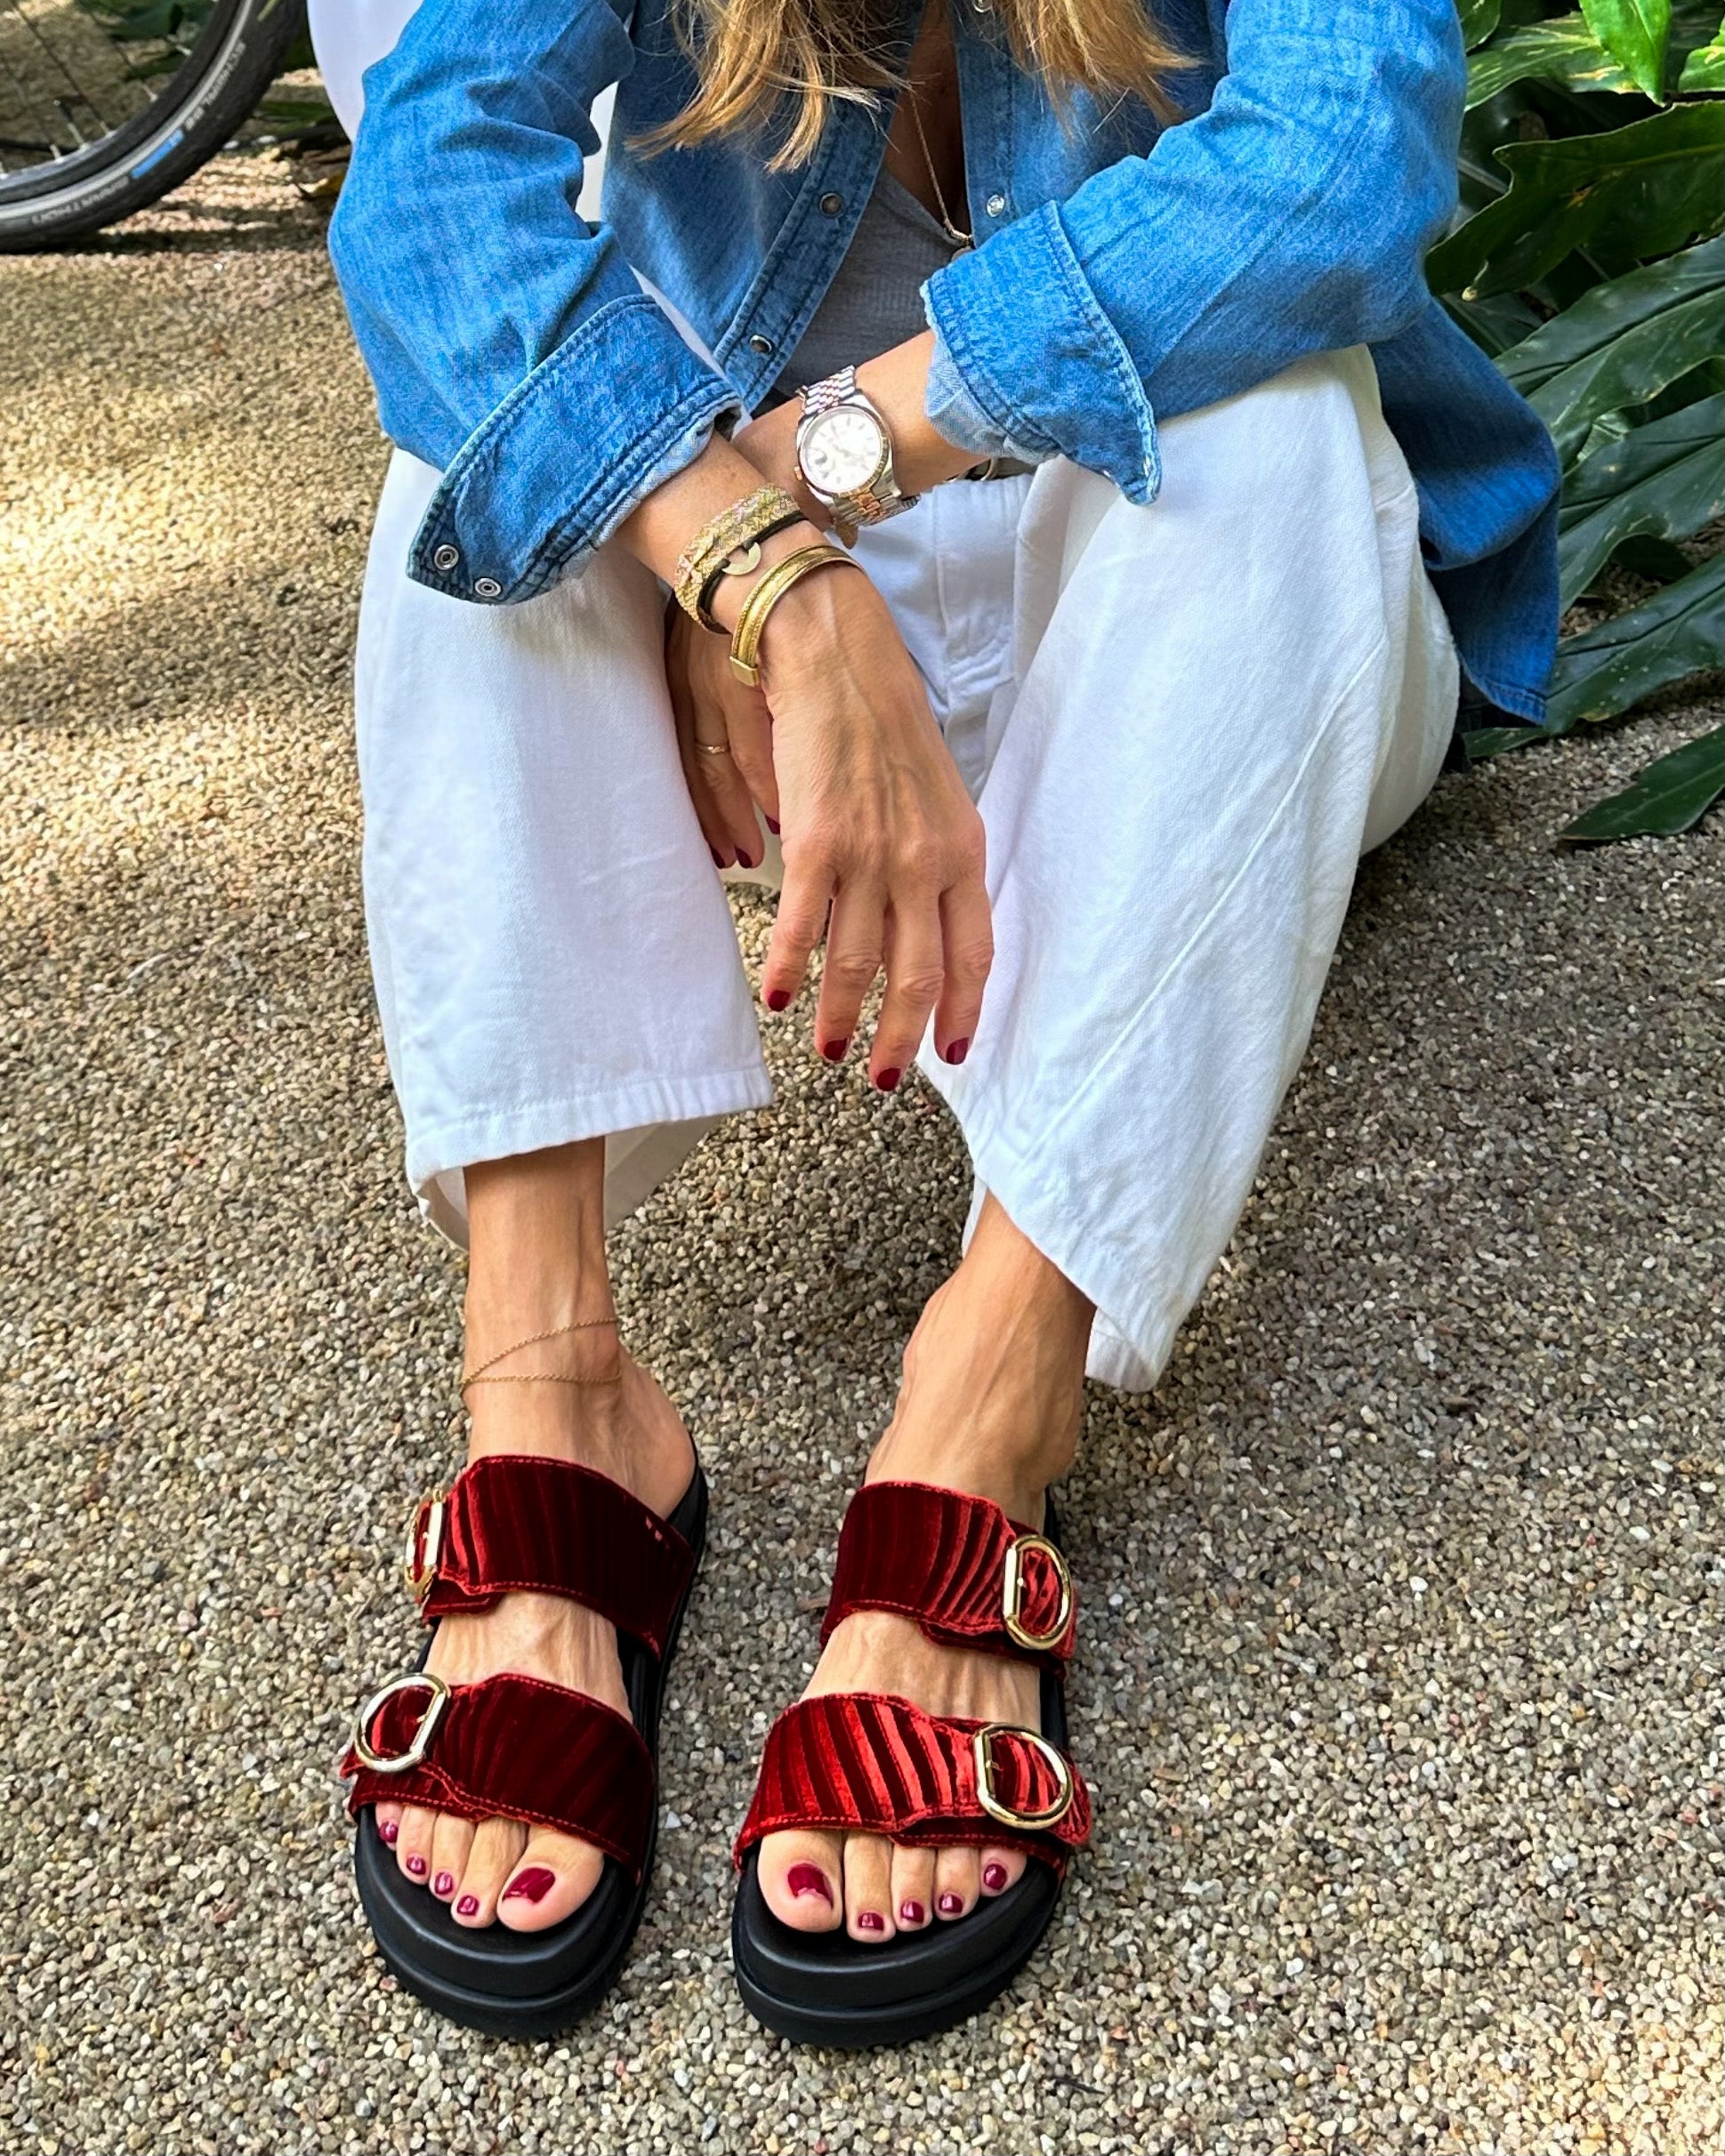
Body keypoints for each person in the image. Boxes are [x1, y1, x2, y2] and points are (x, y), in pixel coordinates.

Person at [321, 0, 1560, 2045]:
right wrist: (765, 576)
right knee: (471, 448)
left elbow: (1340, 160)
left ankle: (987, 1405)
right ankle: (551, 1394)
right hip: (771, 666)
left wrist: (835, 454)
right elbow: (429, 189)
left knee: (1271, 409)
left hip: (1217, 612)